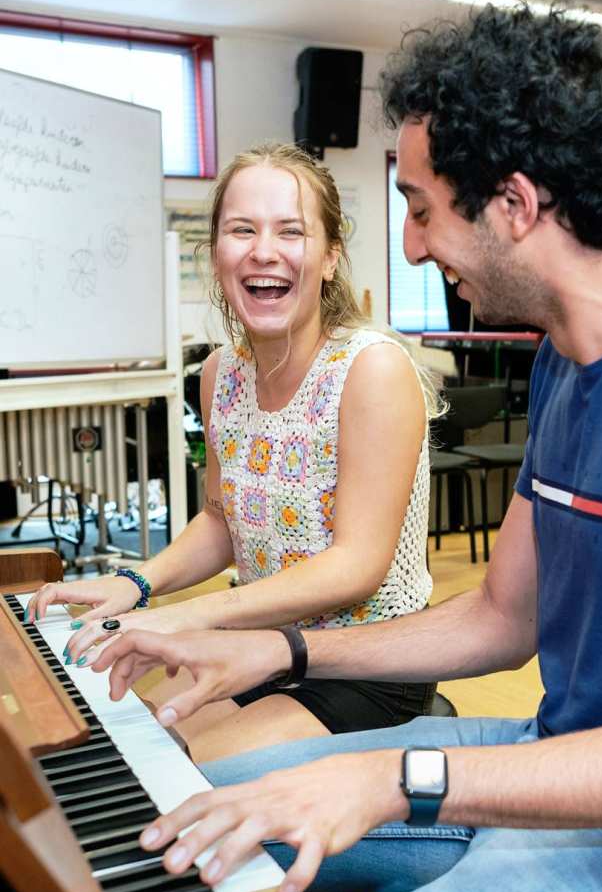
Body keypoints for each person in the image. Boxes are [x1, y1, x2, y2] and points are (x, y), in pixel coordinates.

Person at [90, 3, 602, 892]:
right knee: (167, 823)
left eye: (419, 207)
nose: (410, 248)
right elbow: (503, 616)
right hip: (547, 763)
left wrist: (388, 770)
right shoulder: (567, 360)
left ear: (513, 204)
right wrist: (278, 646)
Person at [30, 143, 442, 762]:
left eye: (291, 231)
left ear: (331, 257)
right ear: (217, 251)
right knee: (133, 744)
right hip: (260, 647)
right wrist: (136, 583)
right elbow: (224, 522)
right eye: (241, 229)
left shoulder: (372, 370)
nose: (263, 250)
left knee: (180, 774)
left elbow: (358, 564)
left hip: (368, 667)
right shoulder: (220, 374)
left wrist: (195, 616)